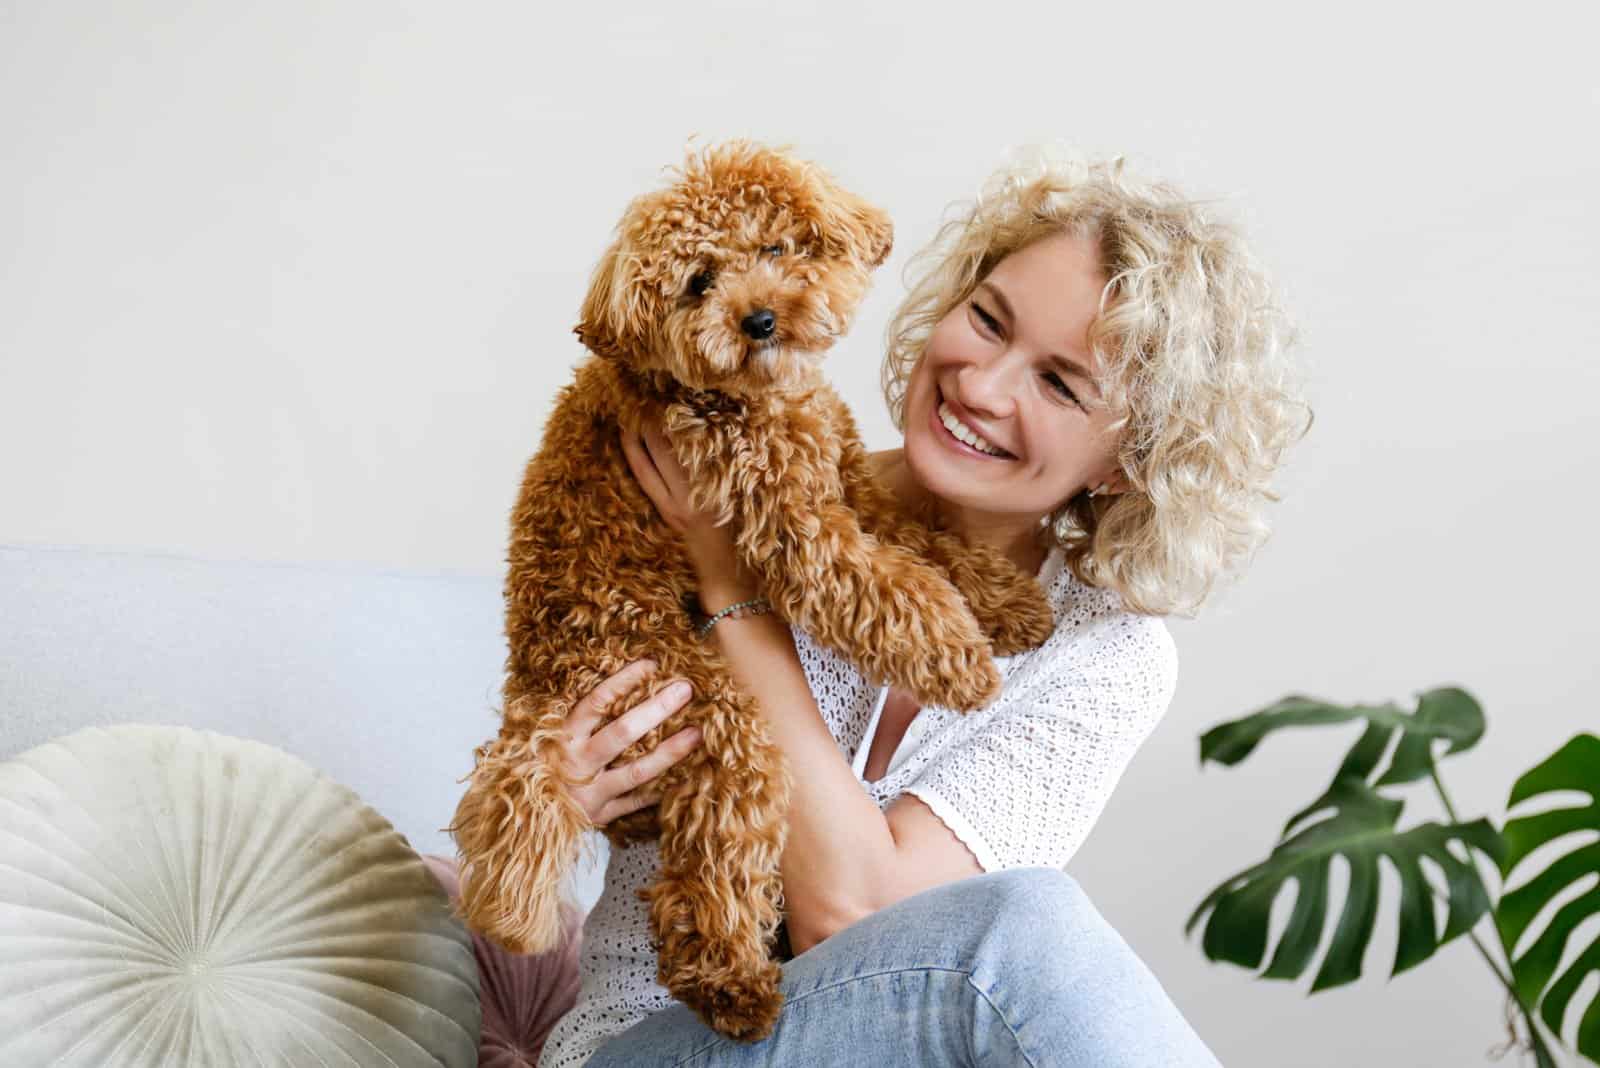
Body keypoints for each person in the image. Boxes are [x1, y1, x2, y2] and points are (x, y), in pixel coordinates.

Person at [535, 147, 1313, 1067]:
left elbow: (871, 915)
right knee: (1023, 927)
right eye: (987, 321)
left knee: (1019, 929)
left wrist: (728, 588)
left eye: (1059, 384)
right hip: (651, 1045)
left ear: (1128, 460)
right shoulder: (734, 499)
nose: (980, 386)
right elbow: (865, 928)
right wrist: (570, 775)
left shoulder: (1104, 656)